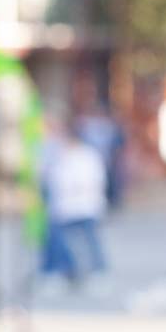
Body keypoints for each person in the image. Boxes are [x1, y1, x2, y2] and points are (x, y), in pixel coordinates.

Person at [42, 120, 108, 285]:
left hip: (85, 205)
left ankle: (99, 271)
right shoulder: (59, 155)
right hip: (63, 206)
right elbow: (50, 177)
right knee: (57, 241)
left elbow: (94, 179)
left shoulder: (87, 155)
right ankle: (63, 271)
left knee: (91, 240)